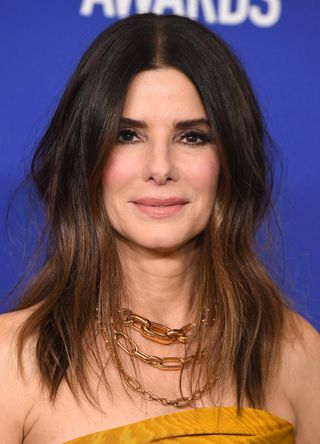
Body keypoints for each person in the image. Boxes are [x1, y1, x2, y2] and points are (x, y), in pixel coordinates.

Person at [0, 12, 319, 444]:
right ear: (85, 156)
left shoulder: (294, 351)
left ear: (230, 160)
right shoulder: (12, 359)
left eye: (192, 137)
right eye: (127, 135)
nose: (160, 168)